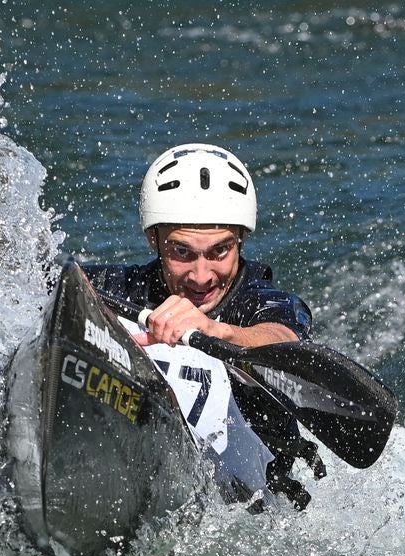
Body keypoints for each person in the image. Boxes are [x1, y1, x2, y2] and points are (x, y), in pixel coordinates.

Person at [84, 143, 325, 509]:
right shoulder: (123, 290)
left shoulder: (262, 301)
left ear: (241, 238)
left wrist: (219, 331)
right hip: (153, 473)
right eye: (181, 252)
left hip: (262, 512)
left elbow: (284, 340)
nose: (201, 276)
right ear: (154, 239)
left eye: (219, 251)